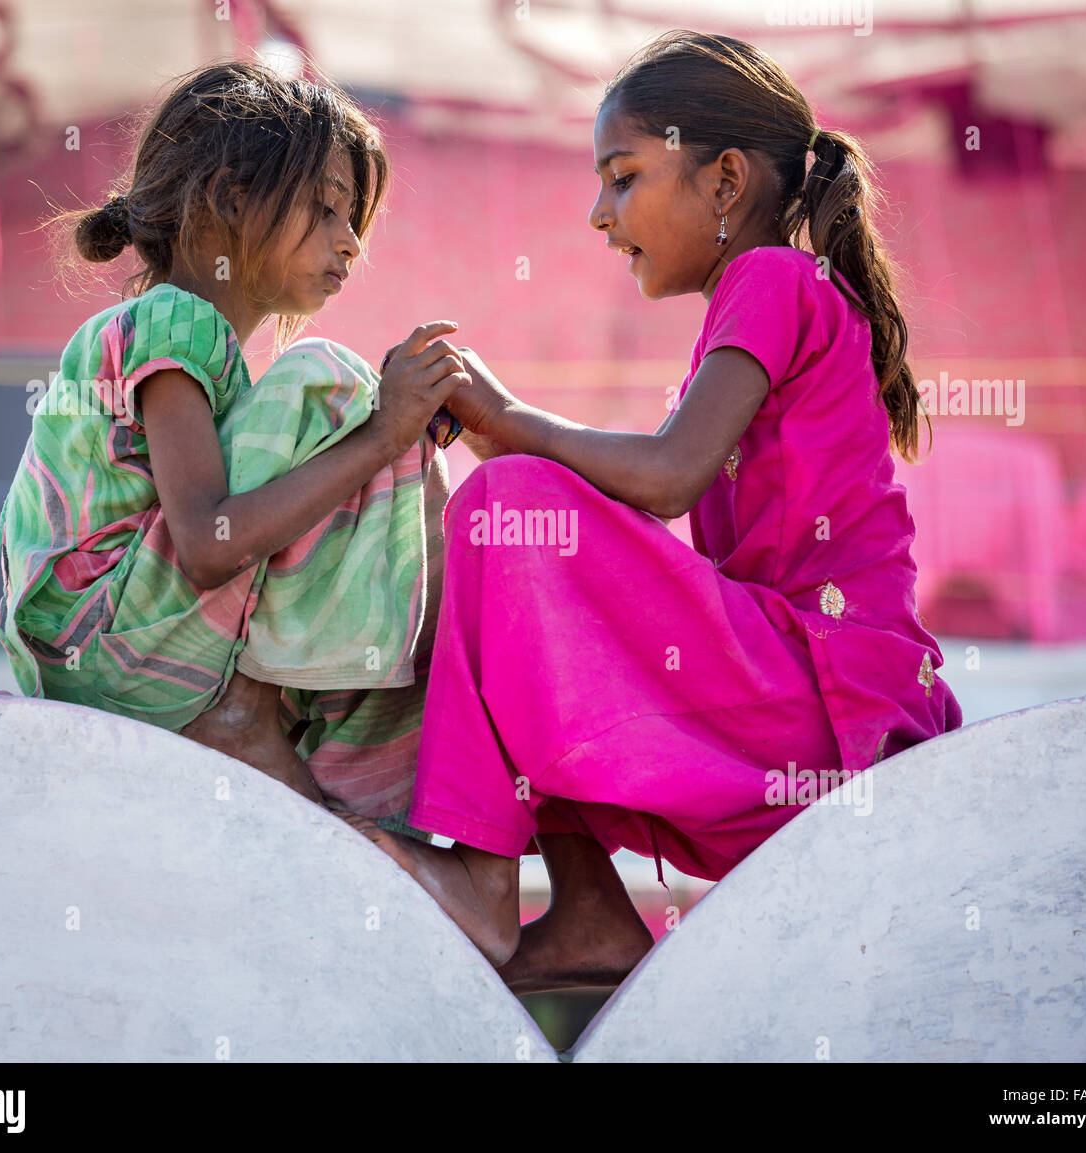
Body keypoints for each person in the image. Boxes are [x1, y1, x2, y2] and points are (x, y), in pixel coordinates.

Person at [341, 30, 964, 988]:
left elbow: (669, 475)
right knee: (519, 536)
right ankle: (590, 909)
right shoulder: (762, 300)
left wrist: (508, 421)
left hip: (826, 697)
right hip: (809, 696)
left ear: (723, 182)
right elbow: (635, 498)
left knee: (508, 510)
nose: (599, 213)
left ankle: (482, 880)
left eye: (623, 177)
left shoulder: (773, 278)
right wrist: (491, 428)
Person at [0, 62, 470, 836]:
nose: (350, 243)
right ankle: (260, 708)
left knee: (358, 441)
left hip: (102, 652)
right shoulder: (177, 321)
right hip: (112, 647)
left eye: (353, 220)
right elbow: (210, 545)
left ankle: (301, 706)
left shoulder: (190, 346)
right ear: (231, 200)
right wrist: (384, 434)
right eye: (327, 210)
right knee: (333, 388)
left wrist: (395, 443)